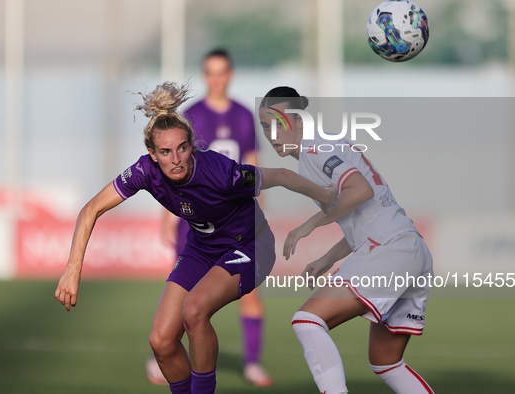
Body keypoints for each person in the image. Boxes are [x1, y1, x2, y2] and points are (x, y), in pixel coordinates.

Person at [54, 81, 336, 394]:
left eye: (182, 148)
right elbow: (91, 209)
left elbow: (282, 175)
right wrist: (72, 269)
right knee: (161, 341)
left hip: (251, 246)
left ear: (192, 145)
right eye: (165, 152)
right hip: (201, 249)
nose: (176, 159)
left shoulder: (222, 172)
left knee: (194, 310)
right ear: (152, 154)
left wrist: (327, 196)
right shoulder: (144, 171)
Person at [258, 87, 435, 394]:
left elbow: (360, 190)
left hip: (389, 249)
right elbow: (362, 214)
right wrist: (328, 258)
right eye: (265, 125)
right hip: (408, 248)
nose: (272, 133)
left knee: (307, 321)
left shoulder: (316, 150)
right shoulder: (322, 147)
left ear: (299, 122)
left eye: (279, 123)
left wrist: (309, 225)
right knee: (387, 363)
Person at [147, 48, 273, 387]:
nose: (216, 78)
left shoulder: (244, 116)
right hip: (195, 224)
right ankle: (162, 351)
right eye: (210, 72)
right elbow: (171, 174)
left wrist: (261, 211)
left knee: (248, 295)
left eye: (222, 72)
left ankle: (252, 363)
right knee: (180, 294)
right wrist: (166, 219)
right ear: (205, 76)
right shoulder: (193, 115)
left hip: (236, 222)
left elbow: (252, 165)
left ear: (229, 75)